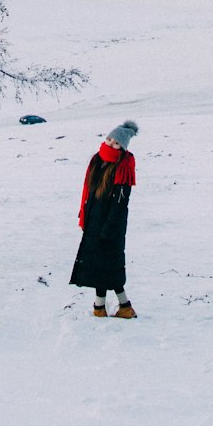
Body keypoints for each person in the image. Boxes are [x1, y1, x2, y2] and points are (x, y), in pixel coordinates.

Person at [69, 120, 138, 318]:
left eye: (116, 143)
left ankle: (111, 308)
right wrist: (87, 218)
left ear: (123, 147)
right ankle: (111, 307)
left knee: (109, 267)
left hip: (110, 226)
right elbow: (90, 193)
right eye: (109, 139)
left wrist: (108, 229)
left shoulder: (123, 168)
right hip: (94, 222)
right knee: (101, 266)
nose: (110, 144)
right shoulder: (97, 161)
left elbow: (119, 204)